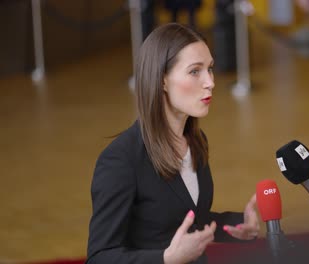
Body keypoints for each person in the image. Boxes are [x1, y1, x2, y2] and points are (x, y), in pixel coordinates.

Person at [86, 23, 259, 264]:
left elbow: (186, 217)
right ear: (162, 81)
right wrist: (166, 259)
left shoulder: (197, 142)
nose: (210, 82)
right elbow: (99, 257)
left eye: (209, 68)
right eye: (195, 71)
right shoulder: (120, 160)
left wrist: (235, 224)